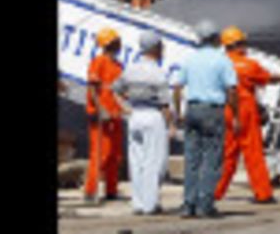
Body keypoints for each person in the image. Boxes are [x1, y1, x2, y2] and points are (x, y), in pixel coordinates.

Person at [214, 26, 280, 204]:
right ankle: (263, 193)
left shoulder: (219, 63)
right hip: (245, 108)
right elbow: (266, 78)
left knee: (228, 153)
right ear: (237, 44)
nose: (246, 46)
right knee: (253, 153)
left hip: (225, 109)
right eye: (243, 43)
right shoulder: (248, 64)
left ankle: (216, 192)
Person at [172, 20, 239, 219]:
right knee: (212, 158)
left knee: (192, 159)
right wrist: (235, 114)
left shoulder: (189, 59)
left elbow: (176, 88)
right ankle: (205, 204)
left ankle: (188, 204)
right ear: (215, 38)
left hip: (192, 108)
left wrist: (179, 113)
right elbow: (232, 89)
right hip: (212, 111)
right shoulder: (222, 60)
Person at [112, 31, 176, 215]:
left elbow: (115, 89)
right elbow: (164, 104)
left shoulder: (130, 69)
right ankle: (150, 204)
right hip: (152, 116)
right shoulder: (158, 73)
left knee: (137, 160)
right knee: (155, 161)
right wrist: (171, 124)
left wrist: (125, 107)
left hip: (135, 116)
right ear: (156, 48)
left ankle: (138, 203)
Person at [84, 28, 126, 203]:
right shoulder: (98, 62)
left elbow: (119, 93)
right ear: (108, 43)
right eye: (117, 41)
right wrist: (100, 109)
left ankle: (111, 190)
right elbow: (93, 88)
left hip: (115, 116)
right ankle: (91, 191)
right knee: (100, 153)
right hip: (101, 116)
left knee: (114, 155)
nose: (120, 44)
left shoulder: (118, 66)